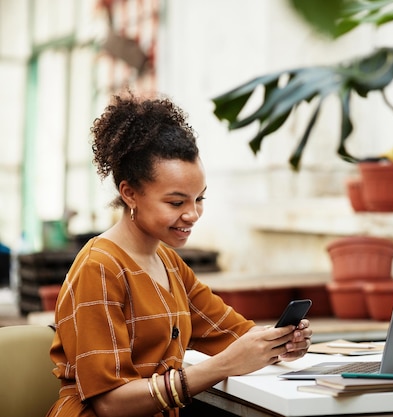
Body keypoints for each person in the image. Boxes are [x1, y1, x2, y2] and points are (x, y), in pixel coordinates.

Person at [46, 94, 312, 417]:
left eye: (199, 199)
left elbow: (232, 335)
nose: (193, 214)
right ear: (129, 193)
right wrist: (222, 366)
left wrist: (280, 343)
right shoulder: (99, 268)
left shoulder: (169, 263)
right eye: (176, 203)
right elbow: (110, 403)